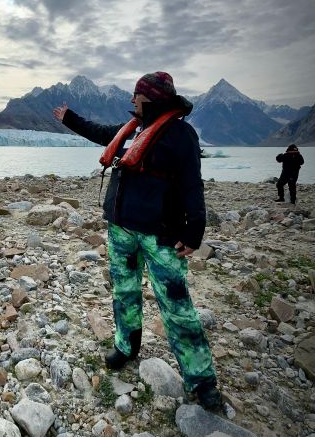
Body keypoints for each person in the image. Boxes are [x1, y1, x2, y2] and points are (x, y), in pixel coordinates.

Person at [52, 71, 223, 412]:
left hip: (161, 235)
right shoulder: (133, 128)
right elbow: (100, 132)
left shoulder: (181, 134)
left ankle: (202, 380)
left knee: (177, 307)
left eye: (137, 95)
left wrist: (194, 231)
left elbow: (192, 184)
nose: (132, 100)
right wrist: (70, 118)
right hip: (121, 230)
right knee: (124, 292)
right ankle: (126, 347)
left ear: (152, 98)